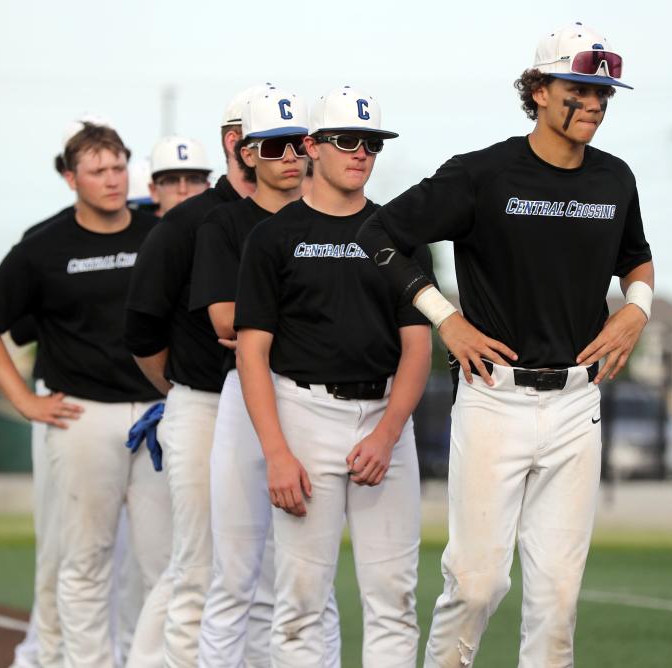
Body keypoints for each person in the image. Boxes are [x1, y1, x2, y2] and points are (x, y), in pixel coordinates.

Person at [356, 23, 655, 667]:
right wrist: (444, 317)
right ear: (540, 90)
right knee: (477, 583)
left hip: (579, 404)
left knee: (558, 599)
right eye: (581, 88)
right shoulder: (481, 174)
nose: (596, 103)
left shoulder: (615, 178)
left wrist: (637, 309)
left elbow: (637, 259)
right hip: (495, 398)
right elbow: (377, 234)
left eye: (605, 92)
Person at [235, 85, 433, 668]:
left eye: (371, 143)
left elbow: (418, 345)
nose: (361, 153)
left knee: (395, 599)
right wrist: (275, 452)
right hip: (303, 414)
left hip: (385, 420)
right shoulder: (272, 237)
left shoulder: (397, 233)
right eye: (347, 140)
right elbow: (252, 353)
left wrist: (388, 431)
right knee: (298, 605)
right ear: (311, 147)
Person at [0, 122, 172, 668]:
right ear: (69, 177)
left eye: (118, 166)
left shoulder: (160, 234)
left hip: (158, 418)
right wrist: (23, 401)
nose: (110, 179)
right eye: (97, 170)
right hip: (81, 418)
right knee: (85, 563)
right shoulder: (42, 248)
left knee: (167, 564)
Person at [190, 87, 342, 667]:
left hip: (316, 399)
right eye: (273, 146)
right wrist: (305, 321)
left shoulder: (339, 215)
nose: (289, 158)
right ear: (246, 152)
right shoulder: (225, 224)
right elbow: (226, 320)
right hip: (245, 392)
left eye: (295, 144)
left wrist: (277, 321)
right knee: (234, 572)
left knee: (311, 577)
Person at [124, 85, 264, 667]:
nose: (290, 153)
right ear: (237, 143)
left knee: (268, 571)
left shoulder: (304, 212)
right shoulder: (186, 224)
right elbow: (142, 332)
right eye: (271, 141)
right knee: (198, 565)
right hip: (206, 404)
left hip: (284, 408)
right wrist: (180, 392)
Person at [147, 136, 212, 218]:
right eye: (171, 181)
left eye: (194, 180)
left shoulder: (224, 229)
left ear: (207, 188)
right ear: (154, 191)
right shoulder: (142, 230)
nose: (183, 190)